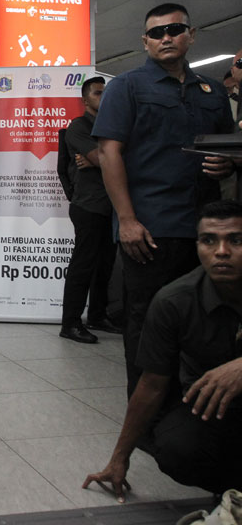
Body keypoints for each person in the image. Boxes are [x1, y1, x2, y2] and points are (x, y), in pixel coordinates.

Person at [93, 3, 235, 396]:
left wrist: (228, 164)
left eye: (174, 29)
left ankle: (195, 404)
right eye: (156, 33)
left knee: (206, 319)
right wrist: (127, 221)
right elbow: (109, 153)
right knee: (147, 321)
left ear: (191, 34)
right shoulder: (127, 86)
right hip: (152, 228)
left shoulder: (214, 90)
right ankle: (148, 421)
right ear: (145, 41)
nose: (166, 38)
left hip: (207, 229)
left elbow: (229, 148)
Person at [83, 199, 242, 501]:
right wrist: (119, 458)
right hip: (216, 410)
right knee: (175, 447)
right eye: (209, 240)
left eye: (236, 240)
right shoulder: (174, 302)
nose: (222, 251)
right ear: (198, 246)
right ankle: (231, 491)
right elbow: (152, 384)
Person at [59, 76, 122, 343]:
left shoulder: (114, 127)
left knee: (105, 265)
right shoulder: (79, 126)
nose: (103, 97)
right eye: (98, 93)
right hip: (89, 205)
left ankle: (97, 315)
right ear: (85, 100)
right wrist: (102, 158)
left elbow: (112, 157)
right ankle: (70, 323)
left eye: (106, 93)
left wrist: (102, 158)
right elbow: (106, 158)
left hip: (112, 206)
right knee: (83, 265)